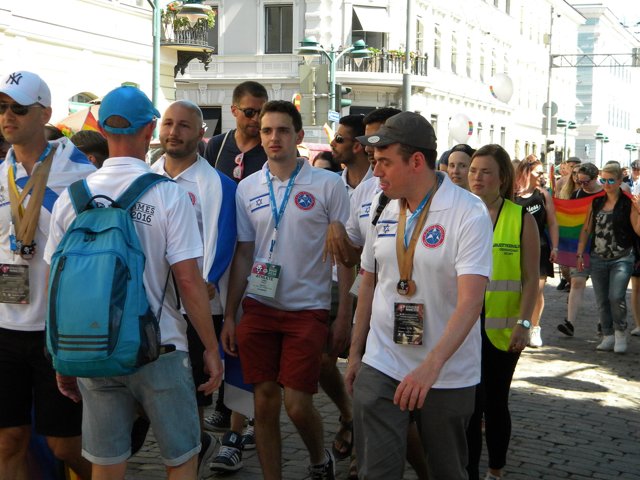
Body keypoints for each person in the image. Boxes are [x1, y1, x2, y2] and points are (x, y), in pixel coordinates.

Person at [44, 85, 223, 478]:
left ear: (101, 130)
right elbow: (189, 282)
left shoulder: (70, 198)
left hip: (93, 347)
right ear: (149, 130)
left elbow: (54, 286)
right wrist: (211, 349)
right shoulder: (168, 195)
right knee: (181, 459)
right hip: (160, 346)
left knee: (106, 464)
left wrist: (60, 355)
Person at [347, 112, 493, 479]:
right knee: (375, 472)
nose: (375, 171)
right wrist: (355, 353)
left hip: (446, 371)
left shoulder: (467, 212)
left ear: (415, 161)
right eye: (374, 161)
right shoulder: (381, 204)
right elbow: (369, 281)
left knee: (447, 470)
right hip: (384, 360)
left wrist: (431, 366)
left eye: (384, 162)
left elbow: (471, 301)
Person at [221, 100, 350, 480]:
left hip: (307, 309)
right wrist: (230, 314)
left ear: (298, 136)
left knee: (296, 404)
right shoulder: (247, 188)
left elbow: (346, 258)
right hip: (259, 306)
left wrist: (344, 316)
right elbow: (244, 254)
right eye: (266, 130)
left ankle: (318, 460)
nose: (273, 137)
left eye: (282, 130)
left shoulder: (328, 185)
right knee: (263, 403)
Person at [0, 70, 95, 480]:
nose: (8, 116)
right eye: (2, 107)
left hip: (55, 330)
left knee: (65, 444)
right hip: (5, 326)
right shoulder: (0, 174)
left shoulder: (79, 175)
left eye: (19, 108)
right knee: (8, 440)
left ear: (45, 114)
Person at [151, 99, 237, 478]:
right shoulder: (145, 178)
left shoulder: (218, 185)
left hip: (197, 305)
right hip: (152, 304)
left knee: (193, 390)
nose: (173, 132)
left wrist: (208, 281)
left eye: (184, 125)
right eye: (168, 123)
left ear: (201, 133)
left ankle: (193, 451)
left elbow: (225, 239)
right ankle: (191, 446)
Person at [466, 144, 539, 480]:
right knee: (469, 404)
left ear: (502, 178)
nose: (477, 177)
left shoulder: (521, 218)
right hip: (463, 326)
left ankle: (496, 469)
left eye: (486, 171)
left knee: (494, 402)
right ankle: (469, 471)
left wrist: (524, 324)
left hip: (502, 330)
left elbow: (530, 279)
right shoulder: (458, 214)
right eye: (473, 170)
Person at [576, 162, 640, 354]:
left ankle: (620, 332)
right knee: (602, 299)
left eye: (611, 180)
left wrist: (639, 210)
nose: (606, 184)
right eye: (603, 180)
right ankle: (607, 335)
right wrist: (580, 252)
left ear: (620, 181)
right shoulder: (596, 202)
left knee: (616, 296)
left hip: (622, 257)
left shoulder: (628, 202)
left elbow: (637, 230)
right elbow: (587, 229)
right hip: (598, 257)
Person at [514, 155, 559, 347]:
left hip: (540, 246)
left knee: (537, 290)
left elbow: (553, 222)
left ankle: (535, 327)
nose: (542, 175)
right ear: (527, 172)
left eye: (542, 172)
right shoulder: (513, 195)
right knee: (516, 289)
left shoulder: (543, 195)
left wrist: (555, 246)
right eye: (538, 172)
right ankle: (517, 324)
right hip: (515, 247)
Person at [557, 163, 603, 337]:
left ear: (595, 178)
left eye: (585, 182)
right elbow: (569, 218)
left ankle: (603, 322)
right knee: (577, 281)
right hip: (581, 246)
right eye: (579, 181)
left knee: (601, 286)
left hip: (601, 246)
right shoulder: (576, 194)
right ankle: (570, 323)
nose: (582, 185)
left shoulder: (605, 194)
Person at [204, 81, 268, 182]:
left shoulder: (271, 147)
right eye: (249, 112)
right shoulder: (217, 145)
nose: (256, 119)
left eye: (261, 112)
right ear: (234, 110)